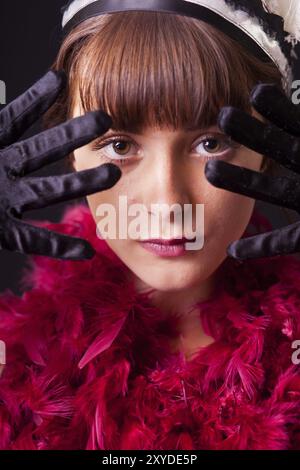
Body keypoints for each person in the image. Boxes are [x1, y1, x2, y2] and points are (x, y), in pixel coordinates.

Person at [0, 0, 300, 450]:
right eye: (119, 144)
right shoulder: (14, 361)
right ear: (68, 150)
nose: (167, 204)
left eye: (210, 142)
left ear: (268, 149)